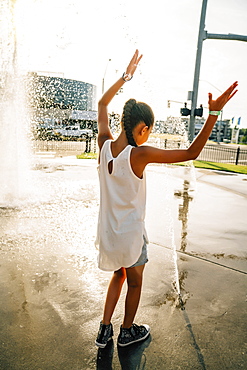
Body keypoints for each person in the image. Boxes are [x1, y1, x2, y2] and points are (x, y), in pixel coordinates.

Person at [95, 50, 238, 348]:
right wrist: (213, 113)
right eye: (149, 131)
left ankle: (104, 329)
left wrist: (125, 77)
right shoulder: (139, 154)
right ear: (142, 128)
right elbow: (190, 154)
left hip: (107, 233)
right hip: (132, 236)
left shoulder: (104, 145)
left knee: (118, 277)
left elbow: (102, 103)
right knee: (134, 281)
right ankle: (127, 331)